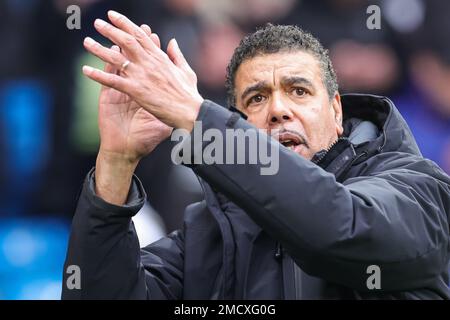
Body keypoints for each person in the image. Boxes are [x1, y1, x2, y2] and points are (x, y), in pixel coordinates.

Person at [62, 10, 450, 299]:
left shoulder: (416, 187)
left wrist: (195, 117)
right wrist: (115, 161)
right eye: (257, 97)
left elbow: (338, 227)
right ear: (240, 121)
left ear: (336, 112)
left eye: (299, 91)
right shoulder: (207, 234)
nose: (279, 109)